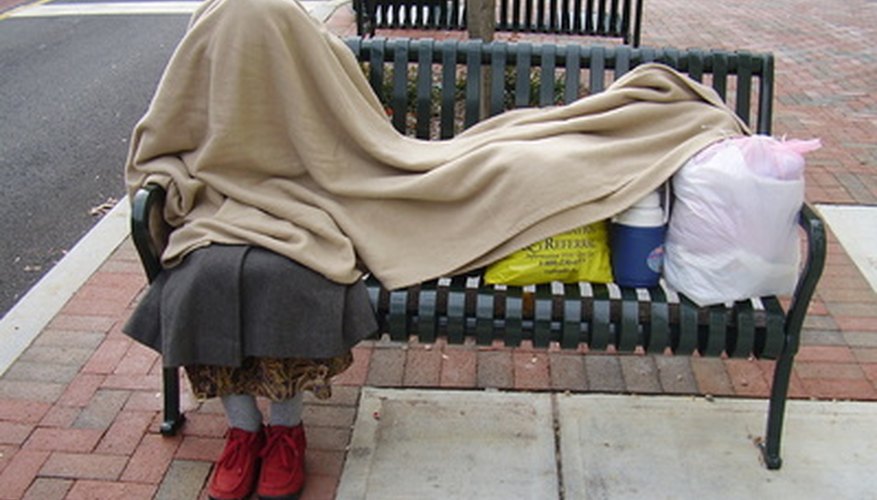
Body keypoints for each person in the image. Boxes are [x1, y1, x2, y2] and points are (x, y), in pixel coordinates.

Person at [123, 0, 747, 498]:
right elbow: (164, 144)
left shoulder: (299, 38)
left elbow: (353, 136)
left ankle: (285, 433)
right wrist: (178, 188)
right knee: (202, 277)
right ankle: (242, 431)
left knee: (290, 276)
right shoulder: (207, 44)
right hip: (225, 205)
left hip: (317, 196)